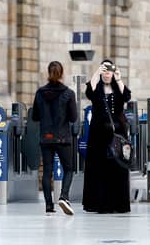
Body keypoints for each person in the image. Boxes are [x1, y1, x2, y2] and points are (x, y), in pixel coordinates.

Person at [82, 59, 132, 213]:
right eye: (105, 70)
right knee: (99, 168)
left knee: (118, 167)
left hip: (117, 133)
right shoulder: (96, 88)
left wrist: (118, 78)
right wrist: (97, 72)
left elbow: (127, 97)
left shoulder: (118, 87)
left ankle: (119, 203)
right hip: (98, 134)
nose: (107, 73)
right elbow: (89, 92)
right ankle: (100, 203)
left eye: (109, 70)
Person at [32, 61, 77, 215]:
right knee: (69, 169)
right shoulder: (69, 93)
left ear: (48, 72)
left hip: (46, 138)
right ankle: (64, 196)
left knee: (47, 172)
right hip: (63, 138)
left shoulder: (40, 93)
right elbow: (73, 118)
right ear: (62, 73)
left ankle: (48, 206)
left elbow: (35, 116)